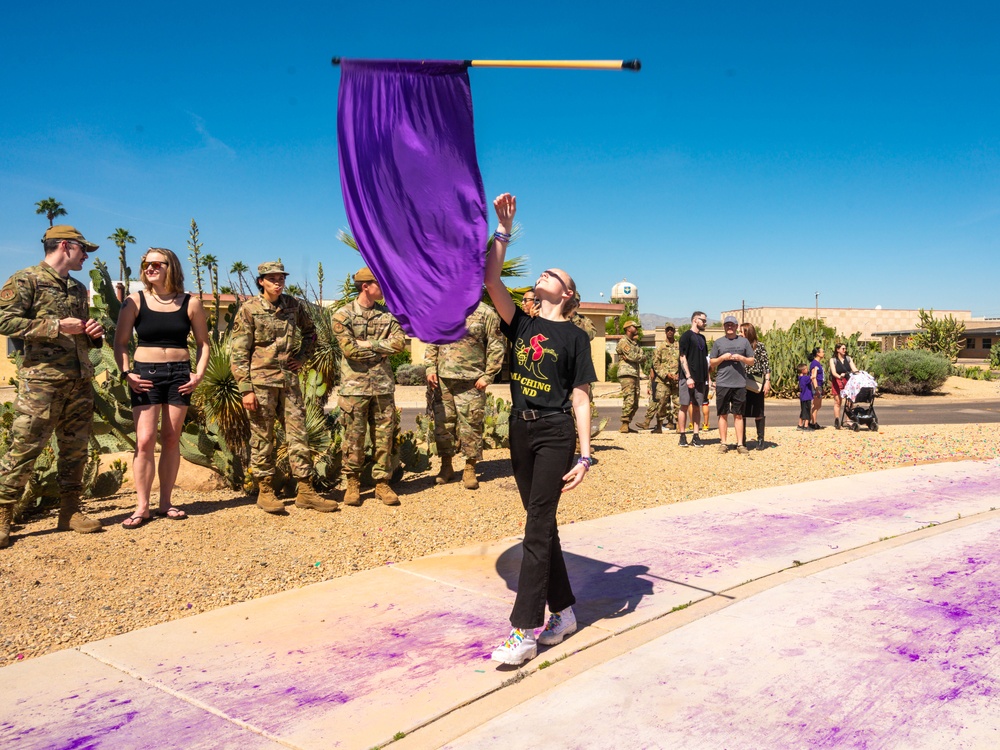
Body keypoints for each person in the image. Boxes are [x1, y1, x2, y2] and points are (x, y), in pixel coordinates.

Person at [485, 193, 596, 666]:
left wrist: (585, 453)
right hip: (519, 429)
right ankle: (565, 611)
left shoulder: (575, 337)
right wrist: (503, 229)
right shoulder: (522, 322)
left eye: (556, 275)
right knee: (542, 524)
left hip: (554, 433)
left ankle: (524, 629)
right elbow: (491, 279)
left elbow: (581, 396)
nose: (545, 275)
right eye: (545, 273)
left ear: (567, 294)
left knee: (534, 526)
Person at [0, 226, 105, 547]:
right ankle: (3, 514)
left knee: (75, 449)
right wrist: (57, 325)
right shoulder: (26, 279)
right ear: (64, 245)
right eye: (82, 249)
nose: (86, 255)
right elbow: (4, 320)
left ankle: (70, 511)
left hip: (79, 380)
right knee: (24, 447)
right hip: (41, 382)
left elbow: (79, 334)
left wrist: (92, 333)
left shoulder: (76, 289)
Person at [231, 262, 339, 514]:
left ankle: (305, 490)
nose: (278, 283)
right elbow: (238, 351)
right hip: (261, 383)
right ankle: (265, 490)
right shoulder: (249, 309)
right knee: (262, 436)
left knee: (298, 434)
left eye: (281, 278)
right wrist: (245, 388)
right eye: (272, 279)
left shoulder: (293, 305)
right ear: (261, 282)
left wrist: (301, 357)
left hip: (289, 382)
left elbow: (310, 332)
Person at [114, 248, 211, 528]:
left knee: (171, 439)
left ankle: (165, 502)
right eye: (146, 263)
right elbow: (120, 343)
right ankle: (141, 506)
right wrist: (126, 373)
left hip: (180, 375)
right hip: (144, 375)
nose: (150, 267)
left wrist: (199, 375)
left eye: (157, 263)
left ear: (171, 267)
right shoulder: (134, 301)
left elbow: (204, 343)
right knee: (144, 441)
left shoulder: (190, 302)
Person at [331, 267, 406, 506]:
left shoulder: (387, 315)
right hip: (354, 387)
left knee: (384, 437)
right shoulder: (342, 315)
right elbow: (349, 350)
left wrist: (368, 344)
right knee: (353, 437)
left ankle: (382, 483)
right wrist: (380, 348)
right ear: (365, 286)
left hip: (382, 387)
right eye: (379, 284)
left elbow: (399, 344)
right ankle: (352, 483)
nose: (384, 288)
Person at [424, 301, 504, 490]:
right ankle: (446, 466)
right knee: (443, 424)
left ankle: (469, 468)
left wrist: (488, 375)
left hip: (472, 380)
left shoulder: (486, 312)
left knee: (471, 424)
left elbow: (496, 345)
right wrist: (429, 367)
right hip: (443, 379)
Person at [709, 316, 755, 454]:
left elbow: (751, 361)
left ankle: (740, 444)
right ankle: (723, 443)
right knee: (722, 414)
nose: (729, 327)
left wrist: (741, 358)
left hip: (739, 383)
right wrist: (723, 358)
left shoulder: (744, 342)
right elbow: (712, 362)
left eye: (732, 325)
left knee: (738, 414)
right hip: (723, 383)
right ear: (724, 326)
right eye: (727, 325)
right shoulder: (718, 343)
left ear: (736, 327)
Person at [677, 311, 709, 447]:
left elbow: (705, 359)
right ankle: (683, 436)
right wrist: (688, 377)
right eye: (703, 320)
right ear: (695, 320)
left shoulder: (702, 338)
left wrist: (709, 378)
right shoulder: (686, 336)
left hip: (701, 378)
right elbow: (682, 357)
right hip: (687, 378)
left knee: (697, 407)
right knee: (684, 406)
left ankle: (696, 435)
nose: (705, 323)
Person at [642, 324, 679, 433]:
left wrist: (680, 374)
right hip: (663, 380)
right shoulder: (660, 347)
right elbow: (656, 363)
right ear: (665, 332)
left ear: (674, 331)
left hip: (676, 380)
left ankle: (679, 427)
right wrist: (665, 374)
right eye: (668, 330)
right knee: (661, 403)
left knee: (678, 403)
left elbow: (683, 360)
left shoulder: (679, 346)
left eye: (672, 330)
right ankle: (659, 427)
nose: (670, 332)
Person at [740, 322, 771, 450]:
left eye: (742, 332)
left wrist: (767, 381)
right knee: (741, 412)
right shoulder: (738, 346)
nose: (739, 334)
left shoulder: (759, 346)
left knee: (759, 411)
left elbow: (766, 364)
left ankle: (760, 440)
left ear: (748, 333)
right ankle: (741, 440)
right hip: (741, 381)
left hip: (756, 382)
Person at [615, 320, 644, 433]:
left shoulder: (634, 343)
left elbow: (640, 356)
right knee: (629, 399)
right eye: (634, 327)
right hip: (627, 373)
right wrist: (638, 357)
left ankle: (627, 422)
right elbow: (633, 356)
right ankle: (624, 424)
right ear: (628, 328)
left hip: (634, 373)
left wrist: (638, 357)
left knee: (636, 401)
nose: (636, 328)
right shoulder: (623, 342)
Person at [829, 343, 858, 430]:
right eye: (843, 349)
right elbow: (833, 372)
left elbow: (854, 369)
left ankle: (848, 420)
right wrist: (839, 376)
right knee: (838, 401)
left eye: (845, 348)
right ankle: (837, 421)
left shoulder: (848, 359)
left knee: (849, 402)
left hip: (848, 381)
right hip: (837, 381)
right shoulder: (833, 360)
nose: (845, 350)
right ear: (837, 350)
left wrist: (858, 373)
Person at [809, 346, 826, 429]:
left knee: (818, 405)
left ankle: (812, 421)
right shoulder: (814, 364)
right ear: (818, 354)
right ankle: (813, 422)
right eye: (822, 352)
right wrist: (817, 388)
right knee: (815, 405)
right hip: (816, 385)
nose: (824, 353)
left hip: (820, 385)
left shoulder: (818, 363)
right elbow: (813, 377)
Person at [797, 363, 813, 430]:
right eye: (806, 368)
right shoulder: (804, 378)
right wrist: (814, 371)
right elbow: (812, 377)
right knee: (807, 411)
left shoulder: (800, 378)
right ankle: (806, 425)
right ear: (803, 371)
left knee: (803, 411)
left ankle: (800, 424)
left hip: (803, 397)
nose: (807, 369)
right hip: (806, 396)